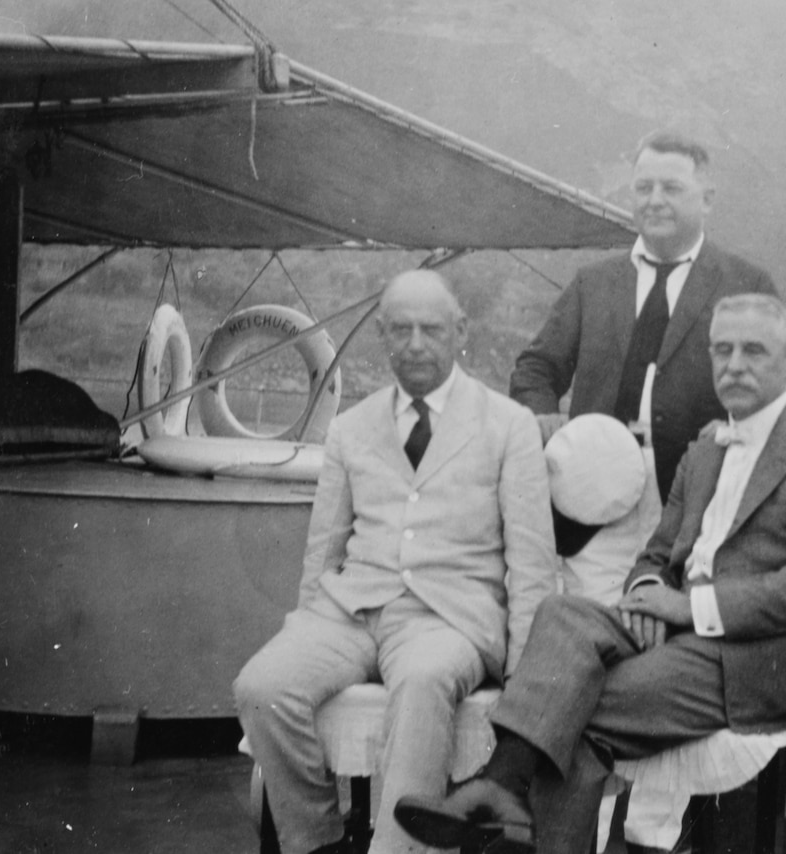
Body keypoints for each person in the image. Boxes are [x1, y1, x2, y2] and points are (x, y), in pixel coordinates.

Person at [394, 293, 786, 854]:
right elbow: (656, 555)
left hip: (773, 660)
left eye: (754, 351)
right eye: (721, 351)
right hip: (686, 635)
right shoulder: (705, 449)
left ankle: (501, 795)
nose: (734, 366)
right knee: (562, 613)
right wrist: (648, 592)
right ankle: (502, 791)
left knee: (578, 709)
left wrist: (687, 609)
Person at [234, 270, 558, 854]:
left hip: (450, 618)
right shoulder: (351, 428)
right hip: (350, 610)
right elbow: (324, 548)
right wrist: (306, 631)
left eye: (430, 330)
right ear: (381, 334)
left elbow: (532, 563)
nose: (415, 344)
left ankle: (398, 849)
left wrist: (523, 680)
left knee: (424, 681)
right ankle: (317, 842)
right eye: (400, 330)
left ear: (459, 331)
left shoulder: (508, 425)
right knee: (261, 686)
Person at [509, 130, 786, 508]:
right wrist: (542, 415)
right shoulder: (593, 283)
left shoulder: (746, 284)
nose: (655, 201)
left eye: (671, 188)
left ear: (707, 200)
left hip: (699, 502)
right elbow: (535, 368)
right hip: (590, 497)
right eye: (644, 188)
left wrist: (736, 433)